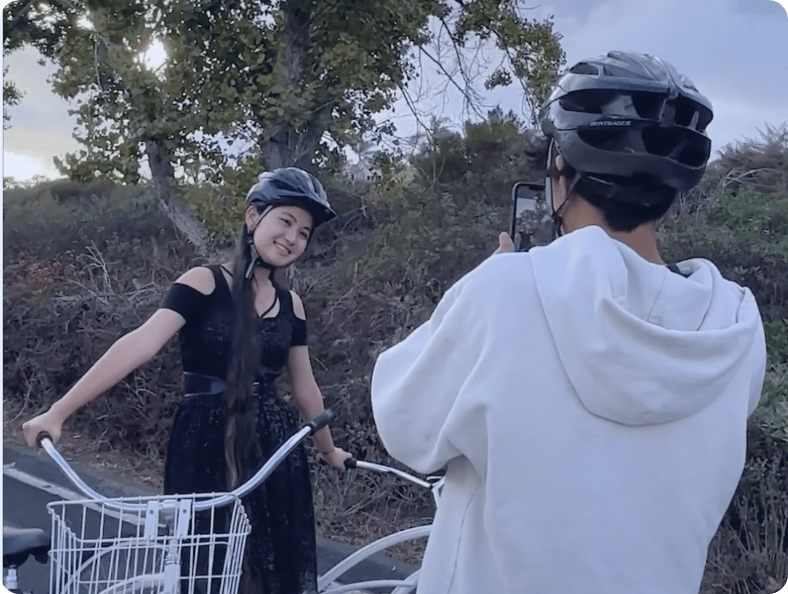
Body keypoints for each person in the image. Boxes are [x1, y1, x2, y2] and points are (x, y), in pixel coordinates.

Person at [370, 51, 767, 594]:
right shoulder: (736, 327)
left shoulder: (506, 290)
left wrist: (491, 276)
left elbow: (402, 423)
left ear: (562, 167)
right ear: (673, 189)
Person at [23, 167, 353, 594]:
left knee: (268, 567)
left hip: (272, 444)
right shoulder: (203, 282)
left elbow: (305, 385)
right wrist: (59, 412)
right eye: (285, 221)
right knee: (206, 565)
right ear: (254, 217)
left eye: (304, 232)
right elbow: (141, 343)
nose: (293, 238)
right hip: (205, 440)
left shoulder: (293, 305)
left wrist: (328, 449)